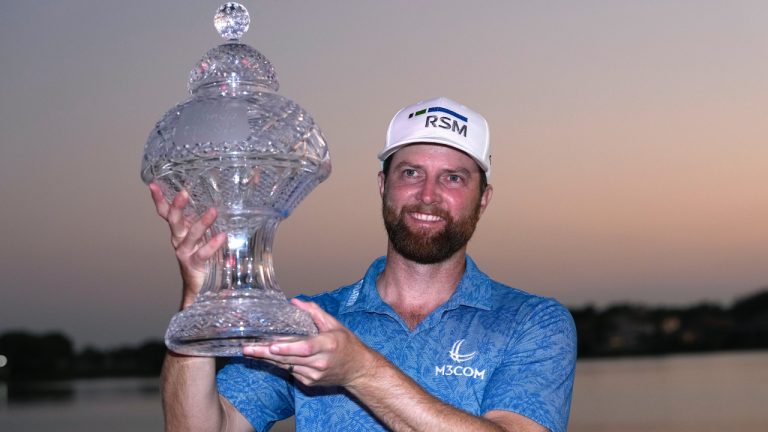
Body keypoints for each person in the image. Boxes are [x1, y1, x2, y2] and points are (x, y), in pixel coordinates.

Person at [152, 97, 576, 432]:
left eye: (453, 178)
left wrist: (358, 370)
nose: (428, 195)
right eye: (411, 173)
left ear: (482, 199)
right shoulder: (312, 323)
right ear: (382, 185)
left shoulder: (533, 321)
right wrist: (199, 300)